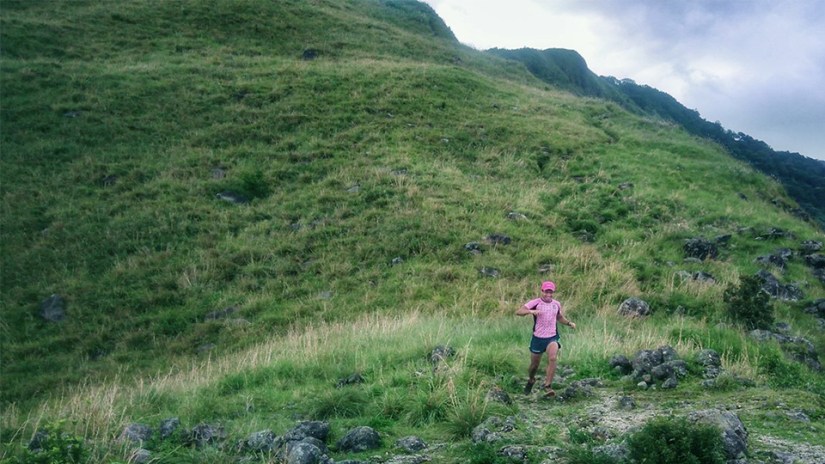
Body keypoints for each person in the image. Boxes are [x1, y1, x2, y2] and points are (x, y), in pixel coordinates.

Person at [516, 281, 576, 397]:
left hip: (552, 337)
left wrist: (569, 323)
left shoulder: (556, 304)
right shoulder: (535, 302)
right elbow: (519, 312)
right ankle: (531, 379)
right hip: (538, 338)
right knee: (534, 366)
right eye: (546, 292)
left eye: (550, 292)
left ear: (553, 292)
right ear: (542, 291)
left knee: (553, 358)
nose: (548, 294)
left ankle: (547, 386)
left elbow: (559, 317)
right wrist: (530, 311)